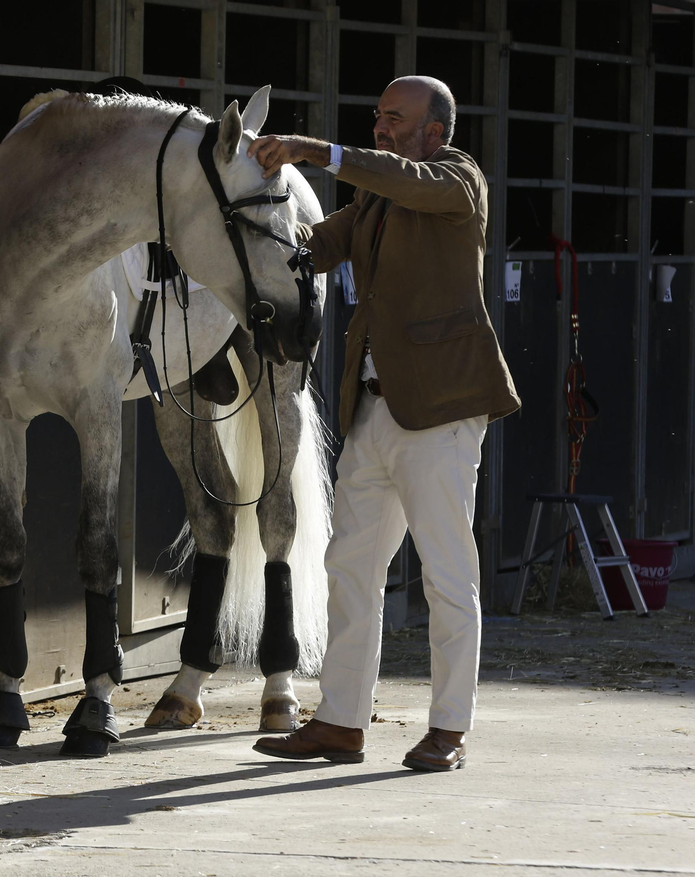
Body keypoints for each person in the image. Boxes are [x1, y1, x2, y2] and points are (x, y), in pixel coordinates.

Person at [245, 76, 520, 771]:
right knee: (350, 569)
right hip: (373, 409)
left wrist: (316, 150)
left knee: (447, 575)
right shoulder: (375, 197)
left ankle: (450, 729)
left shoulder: (458, 181)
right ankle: (341, 720)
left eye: (395, 118)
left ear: (436, 132)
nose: (382, 127)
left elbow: (397, 176)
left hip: (442, 412)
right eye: (378, 116)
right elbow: (317, 241)